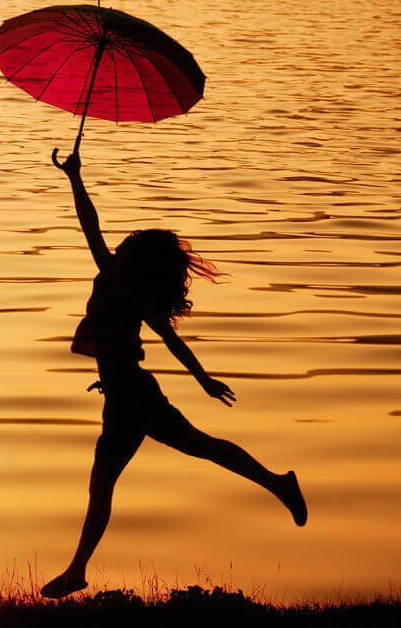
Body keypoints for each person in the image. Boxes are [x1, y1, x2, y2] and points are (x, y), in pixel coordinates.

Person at [39, 149, 307, 600]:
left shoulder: (124, 284)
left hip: (132, 397)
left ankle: (279, 483)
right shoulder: (125, 282)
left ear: (134, 262)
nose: (117, 247)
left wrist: (75, 179)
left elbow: (91, 229)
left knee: (126, 475)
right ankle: (77, 570)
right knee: (166, 460)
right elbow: (169, 338)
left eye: (126, 247)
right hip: (125, 393)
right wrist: (75, 177)